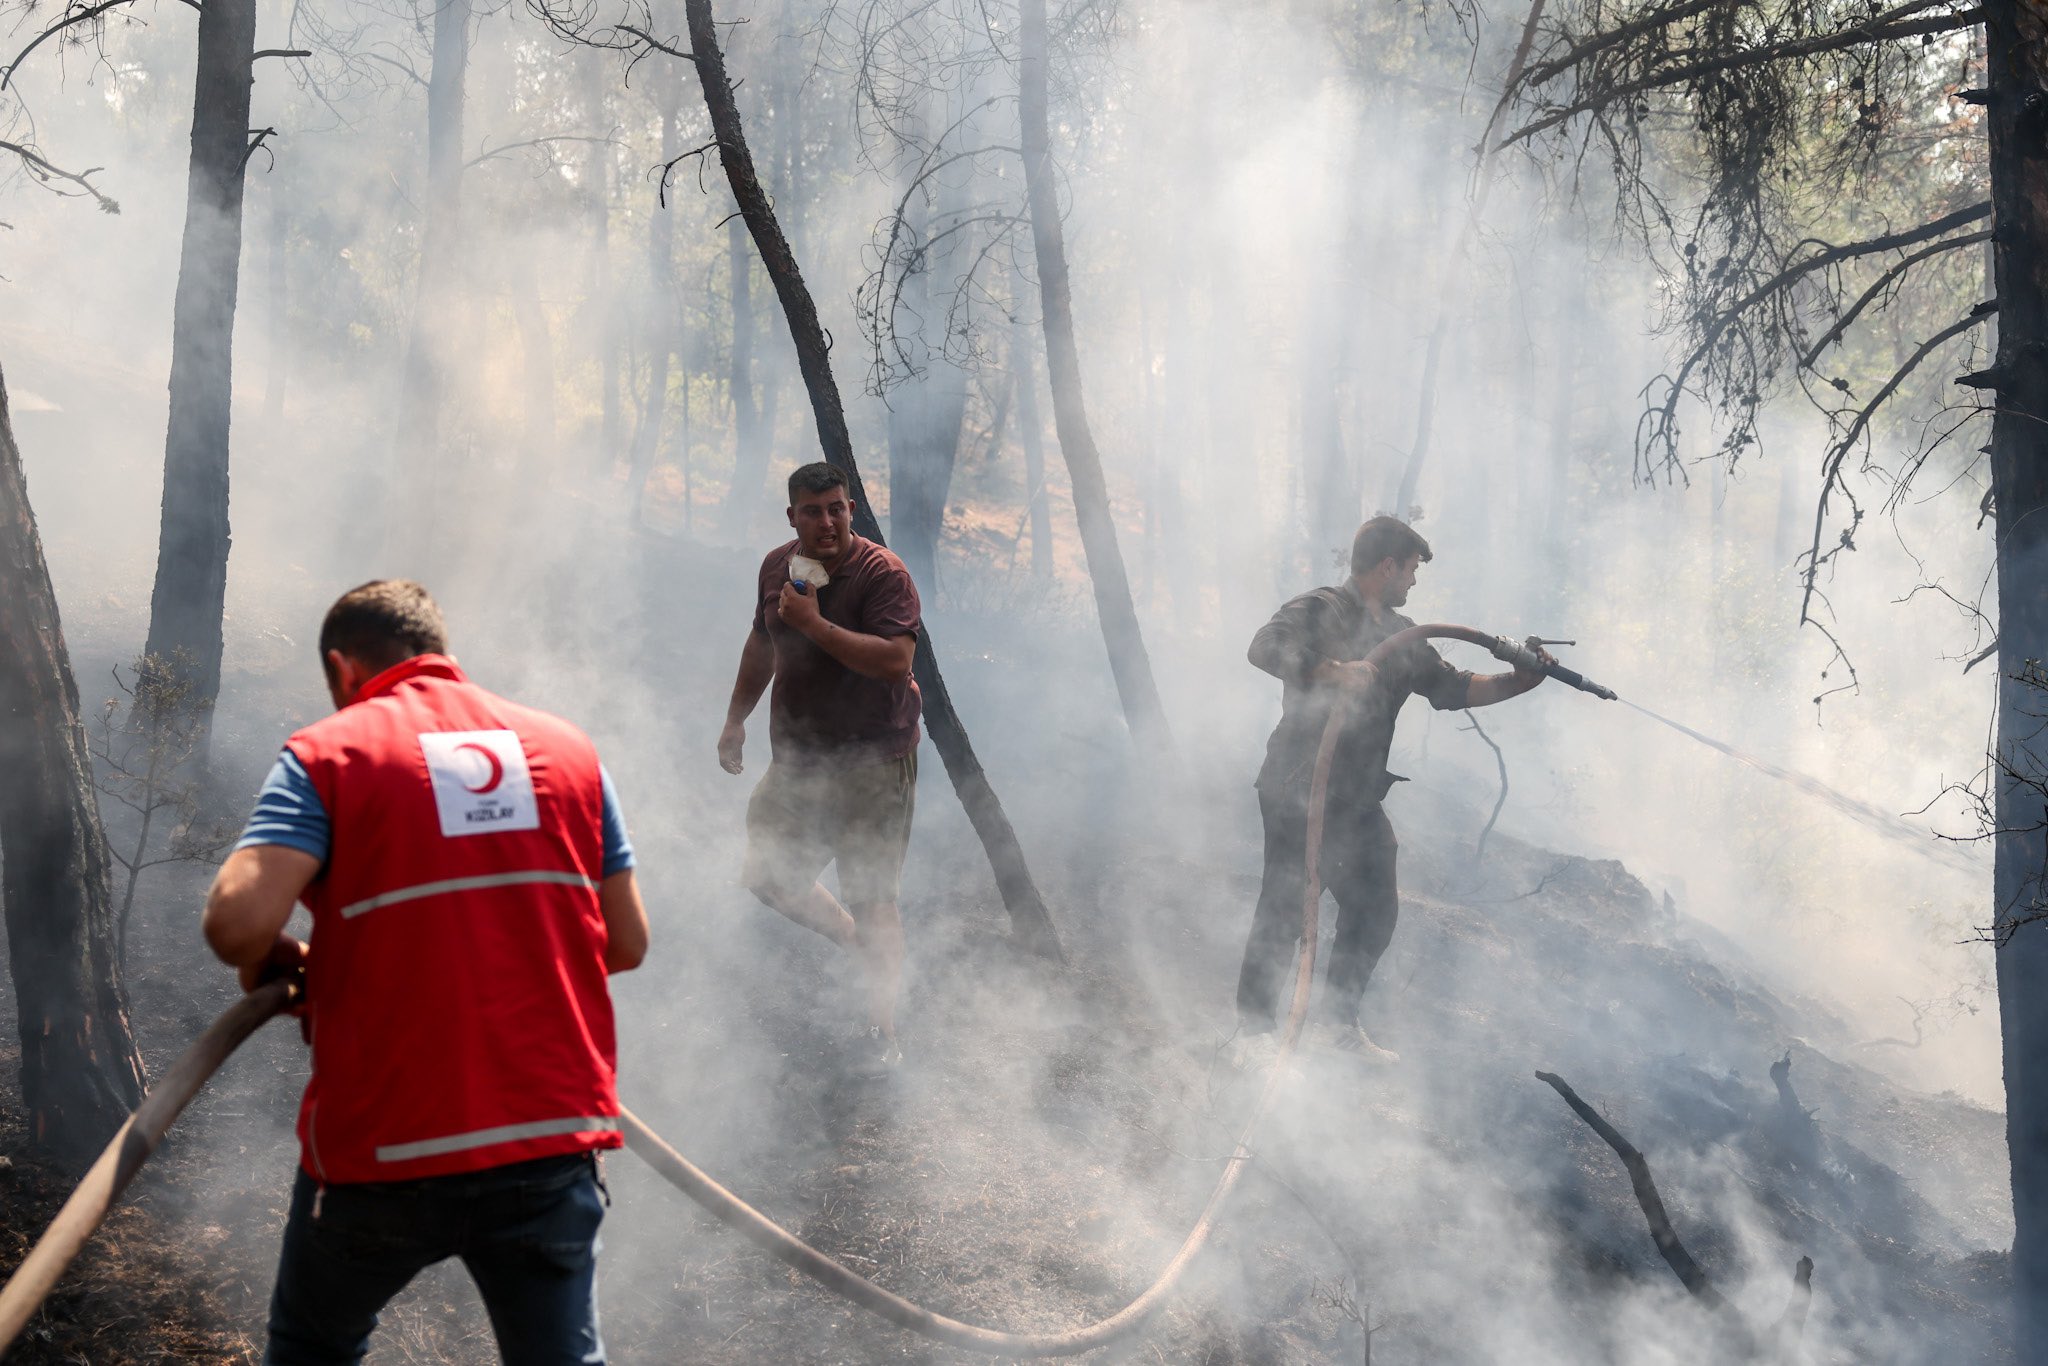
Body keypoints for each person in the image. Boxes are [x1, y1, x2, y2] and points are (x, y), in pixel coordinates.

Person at [201, 579, 650, 1366]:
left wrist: (278, 957)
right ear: (442, 654)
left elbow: (237, 926)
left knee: (313, 1345)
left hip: (386, 1143)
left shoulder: (330, 755)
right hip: (544, 1142)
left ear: (344, 671)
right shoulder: (568, 750)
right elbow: (625, 943)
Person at [1233, 517, 1550, 1065]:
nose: (1413, 582)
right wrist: (1334, 671)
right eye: (1410, 570)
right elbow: (1263, 648)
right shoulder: (1320, 608)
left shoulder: (1403, 638)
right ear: (1388, 566)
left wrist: (1519, 683)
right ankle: (1254, 1035)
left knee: (1376, 907)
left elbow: (1452, 688)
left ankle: (1336, 1024)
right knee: (1285, 906)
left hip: (1357, 797)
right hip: (1298, 785)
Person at [718, 462, 922, 1074]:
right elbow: (762, 644)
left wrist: (816, 625)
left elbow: (894, 661)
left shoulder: (882, 574)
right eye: (812, 511)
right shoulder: (776, 567)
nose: (827, 522)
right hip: (801, 758)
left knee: (874, 897)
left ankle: (881, 1028)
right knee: (768, 875)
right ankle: (857, 945)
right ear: (793, 517)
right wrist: (736, 720)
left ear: (851, 509)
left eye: (836, 508)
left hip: (874, 762)